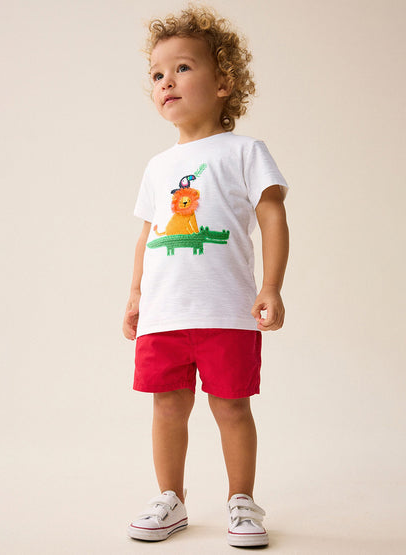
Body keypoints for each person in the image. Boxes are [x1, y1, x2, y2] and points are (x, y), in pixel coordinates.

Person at [122, 3, 290, 548]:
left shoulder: (245, 151)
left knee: (232, 407)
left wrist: (271, 286)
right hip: (164, 314)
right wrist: (135, 295)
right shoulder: (156, 166)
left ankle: (242, 500)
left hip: (226, 312)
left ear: (224, 83)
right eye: (157, 74)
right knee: (167, 406)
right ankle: (170, 499)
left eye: (182, 68)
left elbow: (272, 215)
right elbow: (148, 235)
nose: (166, 82)